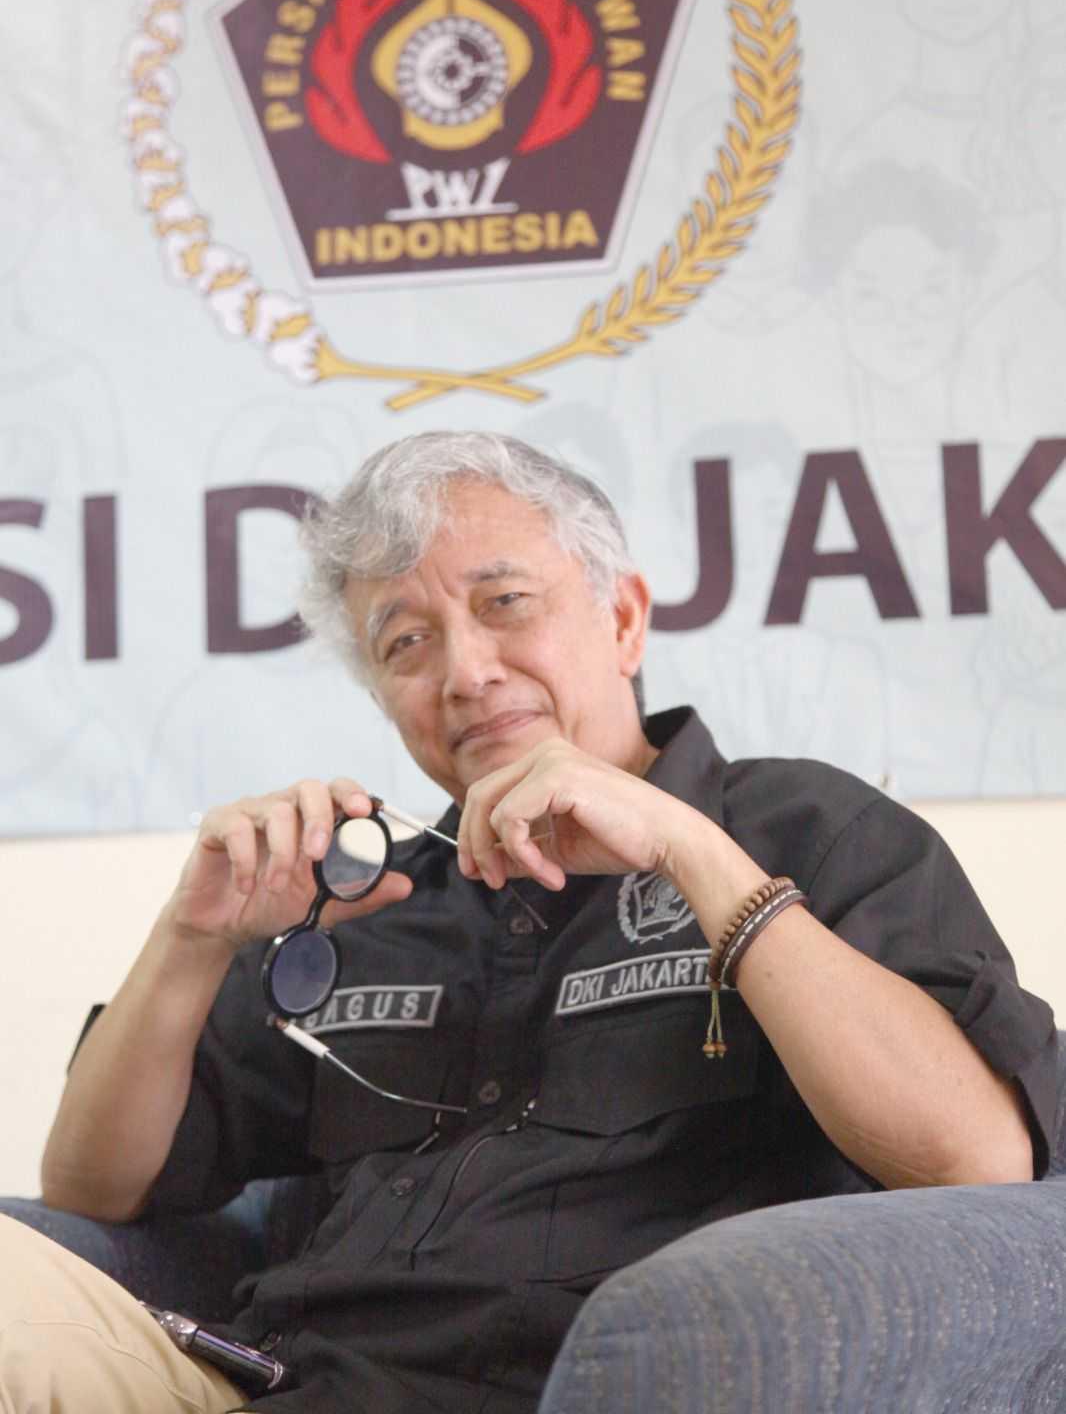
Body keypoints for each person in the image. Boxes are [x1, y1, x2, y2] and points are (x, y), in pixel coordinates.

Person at [1, 430, 1056, 1413]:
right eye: (407, 643)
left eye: (504, 602)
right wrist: (191, 940)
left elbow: (977, 1158)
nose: (465, 673)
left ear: (624, 619)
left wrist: (693, 855)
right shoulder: (363, 899)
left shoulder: (804, 831)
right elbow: (92, 1186)